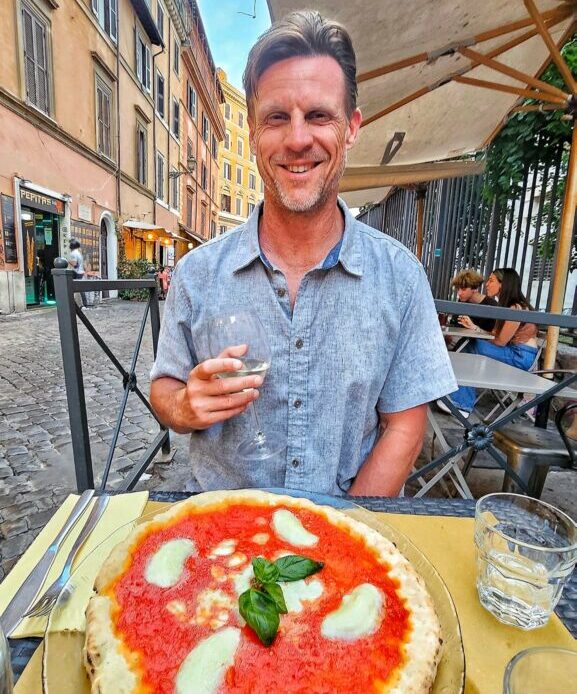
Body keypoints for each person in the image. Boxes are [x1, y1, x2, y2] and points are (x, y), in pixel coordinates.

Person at [149, 11, 456, 497]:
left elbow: (404, 427)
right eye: (276, 117)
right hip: (221, 535)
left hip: (344, 538)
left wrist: (338, 537)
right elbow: (163, 387)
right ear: (251, 130)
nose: (297, 139)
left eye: (318, 115)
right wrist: (185, 407)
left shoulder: (401, 276)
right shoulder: (196, 273)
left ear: (351, 128)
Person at [438, 267, 538, 417]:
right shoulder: (507, 306)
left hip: (519, 356)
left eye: (491, 280)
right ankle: (457, 398)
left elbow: (500, 341)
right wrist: (475, 328)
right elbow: (494, 335)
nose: (486, 284)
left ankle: (462, 405)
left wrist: (477, 334)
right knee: (469, 344)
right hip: (513, 352)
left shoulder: (515, 307)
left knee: (473, 346)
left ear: (503, 284)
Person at [68, 238, 88, 308]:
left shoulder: (73, 253)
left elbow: (75, 265)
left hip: (76, 272)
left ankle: (78, 305)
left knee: (74, 289)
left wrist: (68, 261)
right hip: (80, 272)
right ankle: (84, 304)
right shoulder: (78, 253)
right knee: (80, 289)